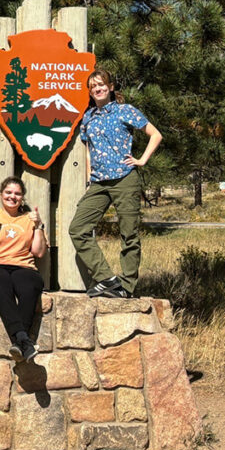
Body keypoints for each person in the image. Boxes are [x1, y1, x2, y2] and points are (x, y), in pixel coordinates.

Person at [68, 69, 163, 299]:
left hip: (124, 179)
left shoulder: (125, 110)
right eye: (93, 87)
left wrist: (141, 160)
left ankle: (127, 287)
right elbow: (89, 149)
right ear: (90, 91)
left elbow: (156, 134)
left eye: (101, 85)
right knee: (77, 229)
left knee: (128, 234)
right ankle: (108, 279)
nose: (97, 89)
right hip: (99, 183)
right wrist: (90, 178)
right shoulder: (88, 117)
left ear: (110, 87)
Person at [0, 177, 48, 363]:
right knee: (1, 281)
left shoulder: (29, 218)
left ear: (22, 197)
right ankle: (23, 338)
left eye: (17, 193)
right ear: (1, 194)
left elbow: (38, 253)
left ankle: (19, 341)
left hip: (23, 265)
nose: (12, 197)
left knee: (29, 285)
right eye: (8, 193)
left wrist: (38, 227)